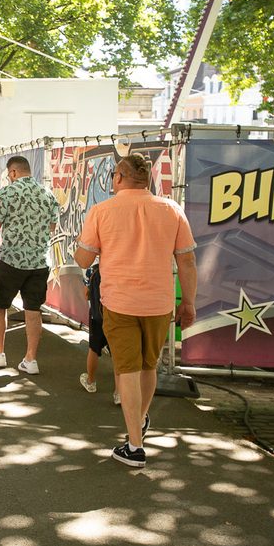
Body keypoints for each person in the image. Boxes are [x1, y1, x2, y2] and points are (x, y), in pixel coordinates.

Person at [75, 153, 197, 468]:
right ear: (146, 179)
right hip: (159, 304)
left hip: (119, 302)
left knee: (126, 369)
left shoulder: (102, 211)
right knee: (147, 366)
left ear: (118, 177)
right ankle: (139, 422)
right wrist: (190, 302)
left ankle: (134, 445)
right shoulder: (172, 210)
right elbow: (186, 260)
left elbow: (83, 259)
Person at [0, 156, 58, 375]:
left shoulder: (7, 192)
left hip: (12, 259)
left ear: (13, 172)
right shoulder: (47, 193)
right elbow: (52, 226)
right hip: (39, 261)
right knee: (33, 310)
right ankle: (30, 359)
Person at [79, 262, 120, 405]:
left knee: (94, 349)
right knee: (118, 353)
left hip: (98, 316)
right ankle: (119, 392)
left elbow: (86, 294)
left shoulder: (93, 271)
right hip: (118, 316)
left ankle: (90, 381)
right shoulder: (121, 266)